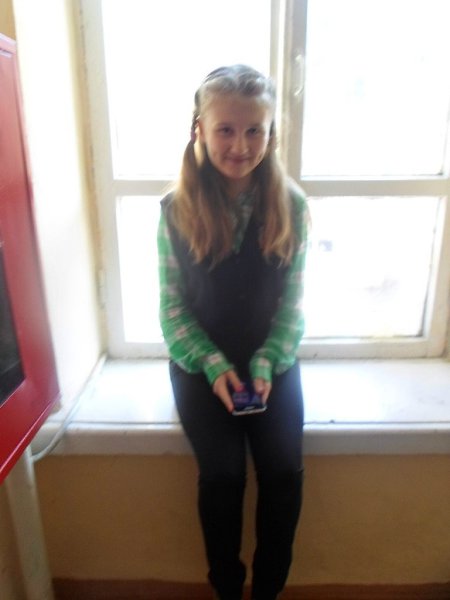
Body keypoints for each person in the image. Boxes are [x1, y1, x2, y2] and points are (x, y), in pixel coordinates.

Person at [158, 64, 309, 600]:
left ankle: (268, 590)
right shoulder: (176, 209)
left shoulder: (292, 206)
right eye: (225, 129)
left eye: (254, 131)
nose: (240, 146)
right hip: (200, 362)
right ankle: (227, 587)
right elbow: (173, 308)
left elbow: (292, 305)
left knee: (283, 474)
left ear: (271, 134)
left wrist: (267, 361)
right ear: (199, 128)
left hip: (272, 361)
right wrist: (214, 364)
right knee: (223, 476)